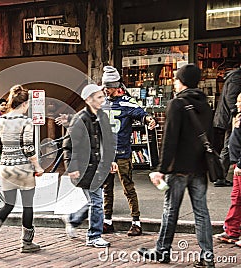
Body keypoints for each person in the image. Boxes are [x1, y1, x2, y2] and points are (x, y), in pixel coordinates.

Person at [138, 64, 214, 268]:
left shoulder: (176, 104)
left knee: (170, 210)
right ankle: (208, 256)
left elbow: (169, 140)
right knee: (201, 212)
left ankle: (162, 251)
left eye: (176, 79)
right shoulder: (205, 104)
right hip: (199, 168)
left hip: (178, 168)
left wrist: (161, 169)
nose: (174, 81)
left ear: (183, 81)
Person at [0, 85, 44, 258]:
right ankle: (27, 242)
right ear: (23, 104)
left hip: (6, 167)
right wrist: (37, 166)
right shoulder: (26, 122)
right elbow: (29, 147)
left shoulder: (0, 120)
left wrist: (7, 153)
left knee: (8, 204)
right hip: (23, 167)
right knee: (27, 204)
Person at [101, 65, 156, 236]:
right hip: (106, 154)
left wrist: (149, 120)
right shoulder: (102, 103)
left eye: (107, 87)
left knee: (128, 187)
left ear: (116, 87)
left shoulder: (127, 102)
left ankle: (136, 222)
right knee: (106, 188)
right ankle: (107, 221)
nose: (105, 90)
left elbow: (141, 114)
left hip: (122, 153)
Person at [61, 84, 117, 248]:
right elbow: (69, 145)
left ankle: (72, 219)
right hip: (86, 168)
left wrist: (111, 161)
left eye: (102, 96)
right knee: (97, 201)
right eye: (99, 97)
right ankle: (93, 236)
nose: (103, 99)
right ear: (88, 99)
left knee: (95, 201)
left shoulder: (102, 116)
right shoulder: (80, 119)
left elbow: (107, 142)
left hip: (98, 168)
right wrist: (72, 167)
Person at [215, 92, 241, 246]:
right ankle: (232, 230)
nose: (237, 104)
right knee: (236, 199)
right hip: (237, 164)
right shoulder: (237, 117)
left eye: (240, 101)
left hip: (240, 165)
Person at [212, 67, 241, 187]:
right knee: (228, 145)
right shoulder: (237, 78)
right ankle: (219, 176)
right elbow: (231, 98)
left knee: (228, 145)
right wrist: (236, 113)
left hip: (227, 116)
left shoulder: (234, 77)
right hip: (230, 117)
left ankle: (220, 175)